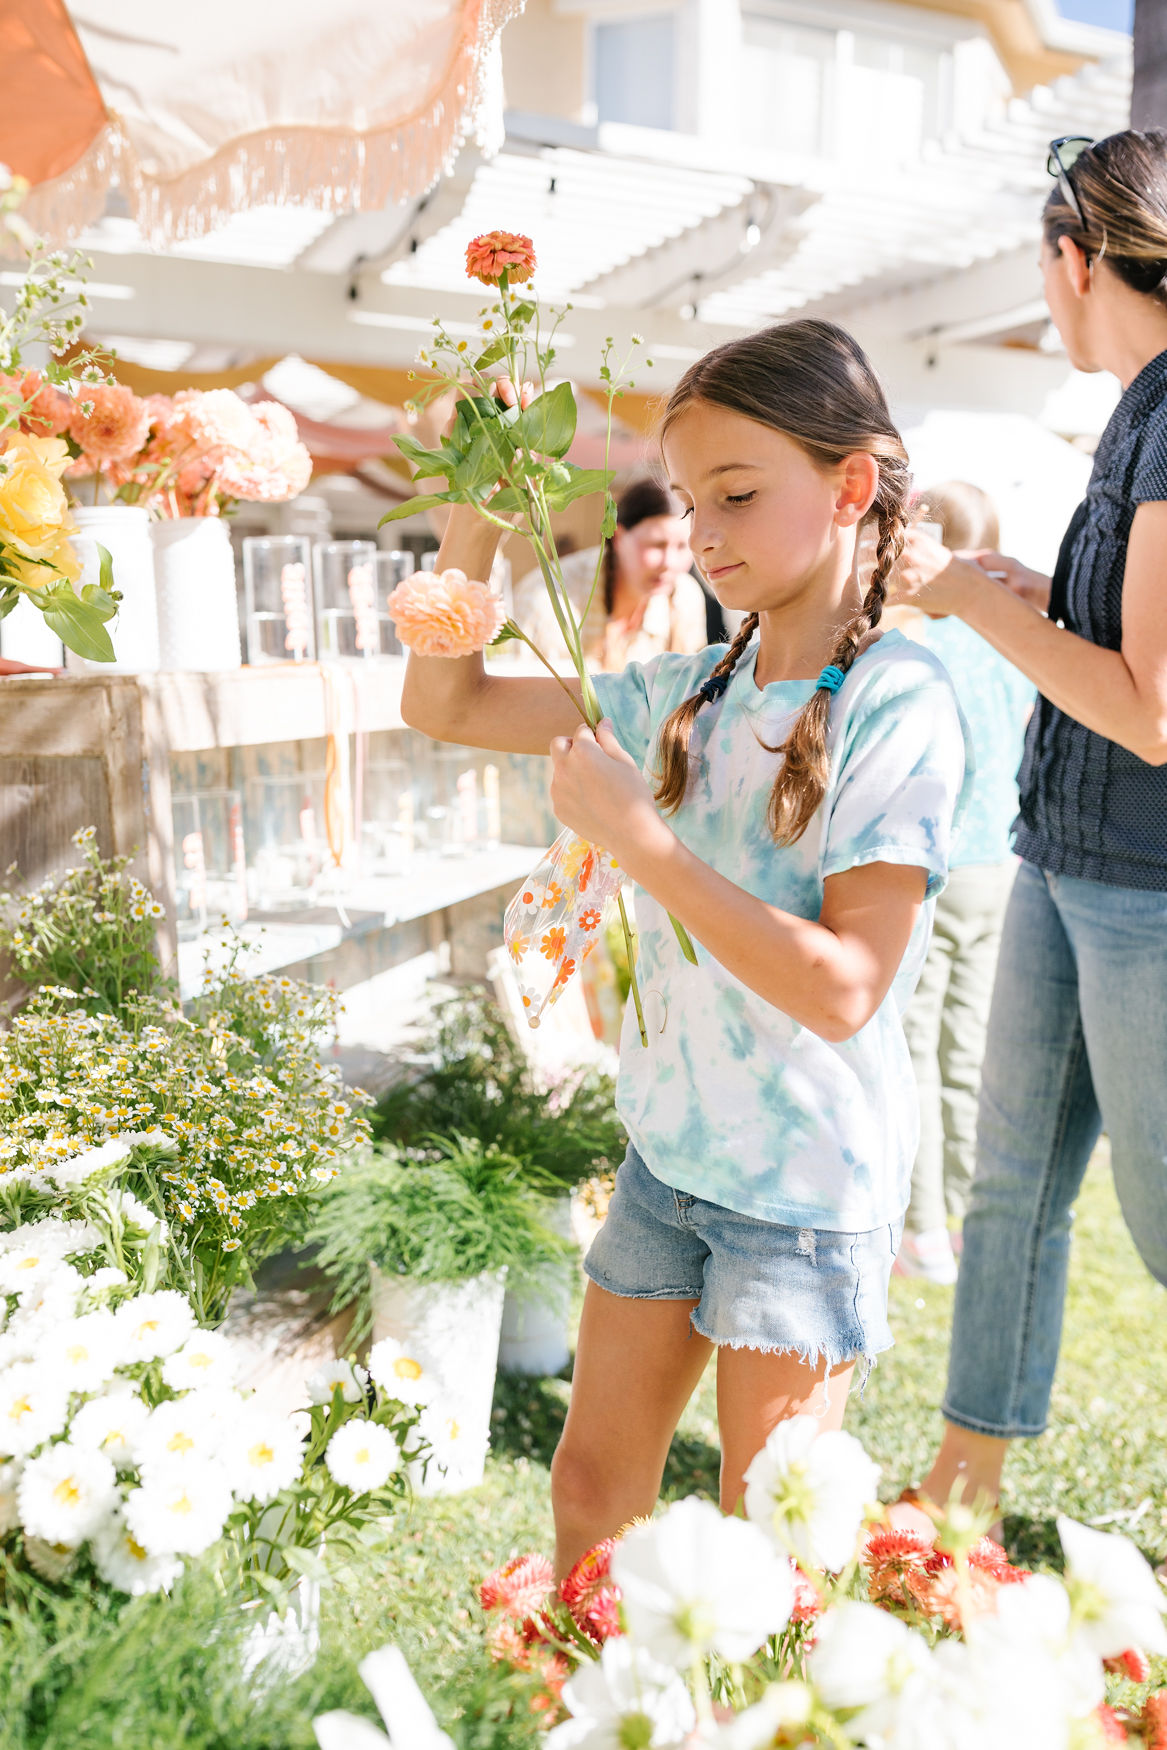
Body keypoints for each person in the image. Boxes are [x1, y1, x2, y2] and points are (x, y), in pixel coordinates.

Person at [402, 319, 971, 1573]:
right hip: (671, 1156)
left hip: (805, 1197)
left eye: (739, 494)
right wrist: (482, 507)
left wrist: (644, 843)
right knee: (592, 1487)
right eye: (691, 498)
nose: (704, 533)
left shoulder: (901, 701)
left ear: (851, 486)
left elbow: (846, 990)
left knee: (768, 1547)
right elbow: (440, 700)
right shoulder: (679, 691)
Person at [887, 130, 1167, 1534]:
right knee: (1006, 1187)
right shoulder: (1132, 407)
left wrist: (968, 597)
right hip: (1060, 857)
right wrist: (1032, 584)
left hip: (1142, 886)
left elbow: (1151, 705)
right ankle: (959, 1489)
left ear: (1072, 261)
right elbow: (1124, 630)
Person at [891, 483, 1034, 1284]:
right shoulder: (1014, 642)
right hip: (999, 867)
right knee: (967, 1052)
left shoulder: (920, 648)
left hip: (938, 866)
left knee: (914, 1047)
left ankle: (921, 1230)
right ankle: (969, 1221)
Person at [511, 476, 713, 671]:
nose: (669, 563)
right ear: (618, 537)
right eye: (656, 546)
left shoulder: (686, 596)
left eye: (682, 546)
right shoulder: (549, 598)